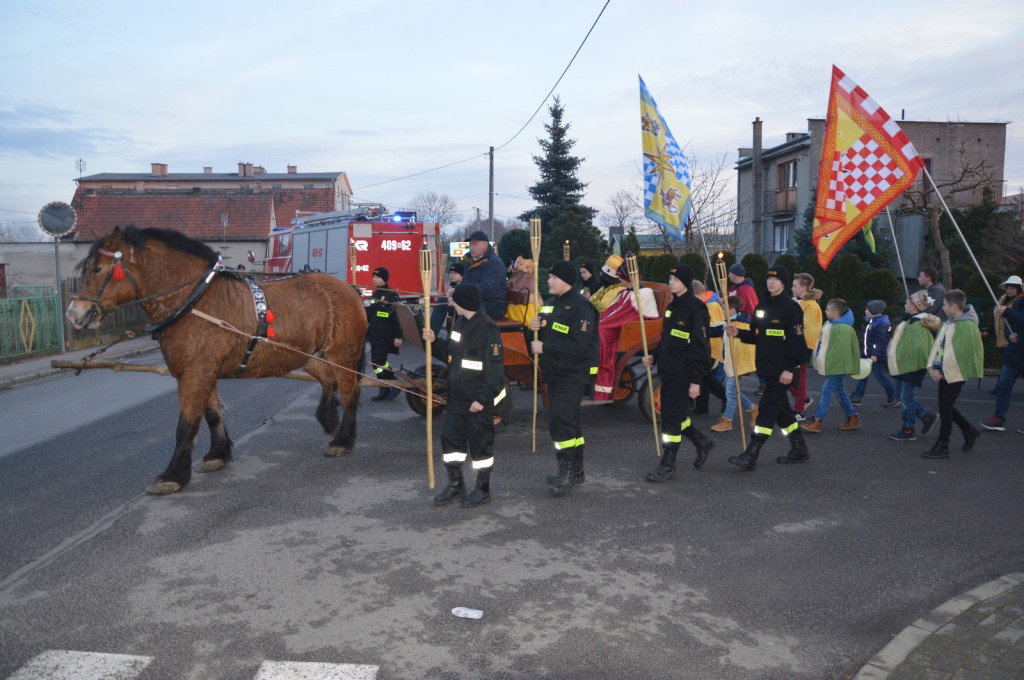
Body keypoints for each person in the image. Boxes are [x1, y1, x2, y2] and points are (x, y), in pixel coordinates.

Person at [422, 284, 505, 507]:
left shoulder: (488, 329)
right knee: (450, 441)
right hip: (457, 398)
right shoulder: (459, 322)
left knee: (481, 447)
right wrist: (432, 341)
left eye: (454, 300)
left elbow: (496, 371)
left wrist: (482, 399)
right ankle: (456, 484)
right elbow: (451, 353)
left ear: (464, 303)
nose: (451, 303)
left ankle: (483, 489)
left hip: (477, 401)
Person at [724, 265, 811, 469]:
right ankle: (799, 449)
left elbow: (797, 343)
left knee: (767, 410)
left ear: (783, 283)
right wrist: (738, 332)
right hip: (766, 368)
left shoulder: (791, 307)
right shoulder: (762, 304)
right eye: (769, 279)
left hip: (782, 371)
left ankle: (751, 455)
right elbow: (757, 334)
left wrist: (790, 369)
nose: (771, 282)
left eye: (776, 279)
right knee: (783, 413)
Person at [528, 261, 600, 496]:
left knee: (560, 420)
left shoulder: (583, 307)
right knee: (569, 420)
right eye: (549, 277)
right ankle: (576, 471)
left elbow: (578, 345)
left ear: (567, 281)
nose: (549, 281)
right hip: (555, 372)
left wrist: (544, 347)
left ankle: (567, 472)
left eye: (554, 278)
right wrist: (532, 327)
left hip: (575, 372)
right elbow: (537, 335)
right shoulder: (549, 304)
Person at [642, 263, 715, 482]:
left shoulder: (696, 308)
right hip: (669, 369)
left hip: (684, 373)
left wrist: (696, 381)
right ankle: (703, 442)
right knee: (673, 414)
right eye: (670, 278)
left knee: (671, 420)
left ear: (684, 282)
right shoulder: (673, 306)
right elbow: (669, 338)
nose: (670, 282)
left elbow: (701, 347)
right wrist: (654, 355)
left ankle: (668, 464)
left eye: (674, 279)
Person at [924, 289, 984, 458]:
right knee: (945, 405)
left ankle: (943, 443)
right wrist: (937, 367)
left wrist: (942, 371)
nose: (942, 307)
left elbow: (963, 353)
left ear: (954, 306)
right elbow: (940, 347)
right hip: (945, 371)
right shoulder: (950, 322)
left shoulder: (967, 326)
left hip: (956, 372)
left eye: (944, 305)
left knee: (945, 406)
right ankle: (968, 430)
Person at [592, 255, 659, 402]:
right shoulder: (625, 292)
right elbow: (612, 313)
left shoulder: (640, 295)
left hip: (630, 330)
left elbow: (621, 316)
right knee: (598, 329)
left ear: (626, 278)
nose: (619, 280)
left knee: (601, 333)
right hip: (623, 326)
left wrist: (602, 324)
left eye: (621, 277)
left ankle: (602, 385)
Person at [887, 291, 940, 441]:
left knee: (906, 396)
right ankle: (925, 416)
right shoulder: (910, 322)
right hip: (904, 366)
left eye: (907, 303)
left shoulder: (916, 325)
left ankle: (908, 428)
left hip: (911, 367)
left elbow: (918, 349)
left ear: (915, 306)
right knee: (901, 395)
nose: (905, 304)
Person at [801, 299, 861, 433]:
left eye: (827, 309)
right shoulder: (831, 324)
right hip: (835, 365)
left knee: (826, 390)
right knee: (840, 391)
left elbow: (842, 351)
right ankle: (852, 416)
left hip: (837, 366)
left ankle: (818, 420)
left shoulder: (841, 328)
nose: (825, 311)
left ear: (835, 312)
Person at [980, 275, 1024, 432]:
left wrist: (1008, 313)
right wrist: (1009, 335)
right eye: (1008, 287)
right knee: (1004, 386)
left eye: (1013, 287)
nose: (1009, 289)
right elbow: (1005, 325)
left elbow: (1018, 319)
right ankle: (998, 418)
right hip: (1012, 351)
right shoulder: (1005, 301)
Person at [711, 294, 757, 433]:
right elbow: (713, 331)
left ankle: (727, 419)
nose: (722, 311)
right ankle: (752, 408)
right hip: (730, 363)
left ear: (732, 310)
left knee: (730, 392)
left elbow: (748, 349)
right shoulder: (727, 322)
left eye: (724, 308)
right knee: (732, 391)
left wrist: (746, 370)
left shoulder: (744, 325)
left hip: (738, 365)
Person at [851, 300, 900, 408]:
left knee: (880, 376)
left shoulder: (879, 323)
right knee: (863, 375)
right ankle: (857, 396)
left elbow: (881, 342)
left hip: (875, 356)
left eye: (867, 309)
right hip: (868, 354)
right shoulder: (872, 321)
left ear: (873, 311)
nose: (865, 310)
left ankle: (893, 396)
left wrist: (875, 355)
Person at [689, 280, 727, 414]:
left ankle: (725, 397)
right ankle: (702, 405)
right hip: (708, 346)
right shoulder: (709, 305)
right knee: (703, 377)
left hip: (710, 347)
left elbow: (713, 327)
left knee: (706, 377)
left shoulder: (708, 306)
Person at [365, 266, 403, 401]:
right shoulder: (375, 294)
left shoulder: (391, 295)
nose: (374, 279)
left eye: (377, 277)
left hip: (386, 335)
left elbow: (397, 317)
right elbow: (369, 313)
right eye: (373, 276)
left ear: (384, 279)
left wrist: (398, 336)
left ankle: (392, 383)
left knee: (378, 361)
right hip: (375, 334)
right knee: (377, 363)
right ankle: (385, 387)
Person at [790, 273, 822, 420]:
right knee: (789, 377)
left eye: (795, 286)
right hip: (795, 344)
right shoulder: (800, 302)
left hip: (802, 346)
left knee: (799, 378)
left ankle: (800, 410)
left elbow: (806, 328)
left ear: (803, 287)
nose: (792, 288)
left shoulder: (811, 305)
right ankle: (802, 401)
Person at [463, 230, 508, 319]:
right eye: (470, 245)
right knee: (444, 301)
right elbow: (465, 283)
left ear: (485, 245)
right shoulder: (470, 262)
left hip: (494, 305)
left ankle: (463, 332)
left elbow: (485, 288)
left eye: (474, 244)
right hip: (477, 301)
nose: (471, 247)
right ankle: (430, 332)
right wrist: (455, 292)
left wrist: (462, 295)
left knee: (461, 306)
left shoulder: (494, 263)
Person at [430, 262, 464, 335]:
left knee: (441, 300)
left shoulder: (463, 286)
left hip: (461, 311)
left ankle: (432, 333)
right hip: (453, 313)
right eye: (451, 273)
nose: (452, 275)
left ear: (461, 275)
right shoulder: (452, 286)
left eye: (455, 273)